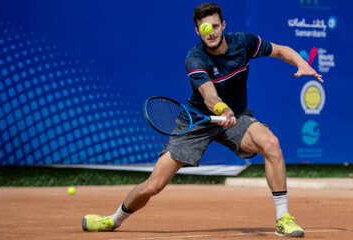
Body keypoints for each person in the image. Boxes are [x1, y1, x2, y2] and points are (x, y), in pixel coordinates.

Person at [82, 2, 323, 238]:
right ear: (198, 32)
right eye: (205, 29)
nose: (212, 33)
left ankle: (283, 219)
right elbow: (208, 94)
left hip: (235, 117)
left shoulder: (243, 43)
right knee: (153, 186)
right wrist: (221, 109)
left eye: (215, 26)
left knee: (271, 144)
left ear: (223, 25)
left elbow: (281, 50)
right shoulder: (195, 58)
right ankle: (112, 220)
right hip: (196, 121)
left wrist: (301, 62)